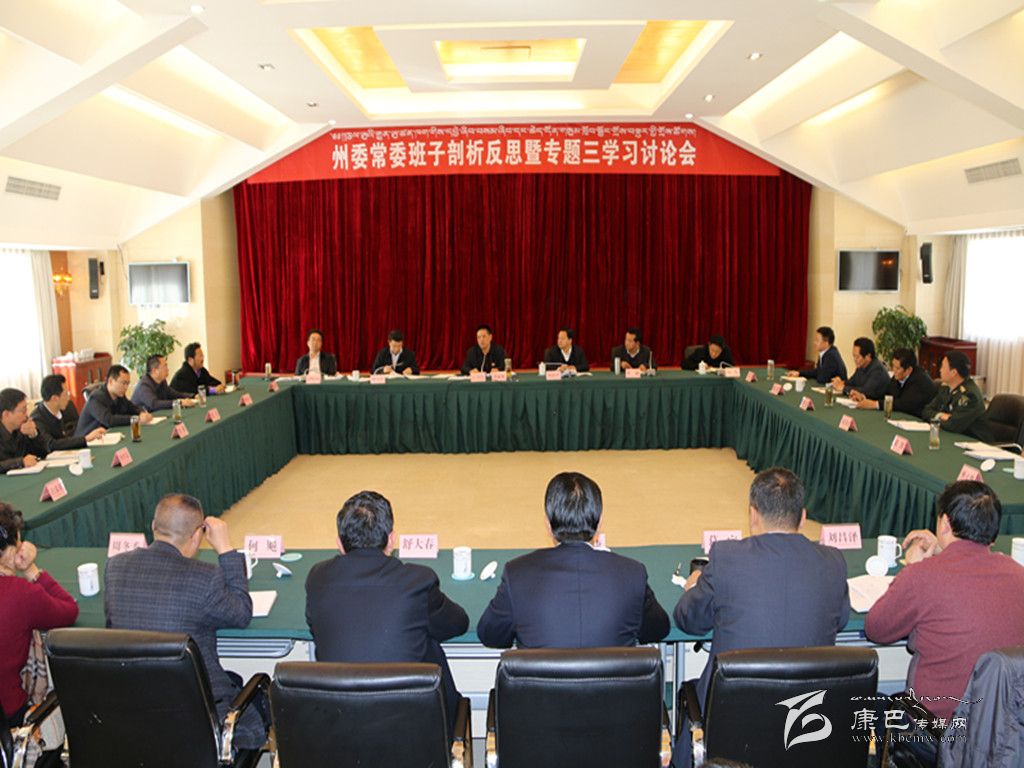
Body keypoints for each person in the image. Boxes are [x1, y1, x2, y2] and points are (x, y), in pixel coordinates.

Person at [866, 481, 1024, 763]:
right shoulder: (1018, 575)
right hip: (1005, 738)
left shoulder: (922, 576)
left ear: (945, 523)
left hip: (940, 736)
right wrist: (943, 550)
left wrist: (915, 567)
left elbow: (876, 629)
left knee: (876, 705)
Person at [104, 494, 268, 749]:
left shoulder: (115, 567)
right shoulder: (205, 577)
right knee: (261, 695)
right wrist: (226, 549)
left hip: (135, 709)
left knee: (232, 678)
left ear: (153, 527)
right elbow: (241, 613)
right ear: (196, 537)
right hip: (197, 716)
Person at [674, 468, 850, 705]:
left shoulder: (727, 557)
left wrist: (695, 586)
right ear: (803, 517)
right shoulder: (833, 561)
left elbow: (689, 620)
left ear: (753, 515)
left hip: (733, 712)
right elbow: (841, 621)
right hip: (809, 713)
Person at [305, 491, 468, 731]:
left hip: (341, 728)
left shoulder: (317, 578)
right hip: (416, 732)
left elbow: (313, 625)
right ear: (391, 540)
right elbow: (457, 623)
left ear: (339, 544)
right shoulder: (418, 580)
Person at [477, 472, 669, 649]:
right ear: (600, 522)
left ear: (548, 524)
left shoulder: (517, 573)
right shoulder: (632, 573)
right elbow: (657, 630)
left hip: (541, 678)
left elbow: (491, 636)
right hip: (615, 678)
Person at [0, 503, 79, 726]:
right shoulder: (19, 593)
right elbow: (69, 610)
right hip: (11, 715)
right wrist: (30, 569)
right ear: (13, 547)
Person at [921, 352, 993, 441]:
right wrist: (941, 415)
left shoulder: (970, 395)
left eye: (943, 367)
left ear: (953, 372)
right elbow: (926, 411)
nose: (940, 370)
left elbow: (953, 425)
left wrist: (939, 417)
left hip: (973, 442)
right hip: (952, 437)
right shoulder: (945, 388)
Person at [852, 348, 937, 418]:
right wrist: (865, 397)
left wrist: (875, 404)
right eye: (893, 366)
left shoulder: (920, 381)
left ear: (909, 370)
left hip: (921, 421)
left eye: (897, 368)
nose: (894, 370)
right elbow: (888, 395)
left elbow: (903, 404)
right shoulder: (898, 376)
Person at [74, 365, 153, 437]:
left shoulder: (119, 395)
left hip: (107, 436)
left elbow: (130, 407)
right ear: (111, 381)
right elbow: (109, 420)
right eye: (123, 383)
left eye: (128, 384)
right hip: (87, 441)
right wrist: (136, 419)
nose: (126, 387)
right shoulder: (95, 398)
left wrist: (141, 412)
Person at [30, 374, 93, 448]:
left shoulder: (68, 407)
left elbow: (79, 429)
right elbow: (51, 444)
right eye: (65, 394)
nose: (68, 398)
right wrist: (85, 439)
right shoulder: (37, 418)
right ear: (54, 398)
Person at [1, 388, 49, 473]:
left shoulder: (22, 429)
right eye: (23, 411)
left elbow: (43, 454)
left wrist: (34, 435)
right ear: (6, 414)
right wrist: (20, 462)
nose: (26, 415)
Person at [131, 355, 196, 413]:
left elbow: (173, 394)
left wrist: (192, 396)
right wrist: (179, 402)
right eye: (165, 366)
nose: (168, 369)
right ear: (155, 370)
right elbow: (154, 404)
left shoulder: (162, 381)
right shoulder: (143, 385)